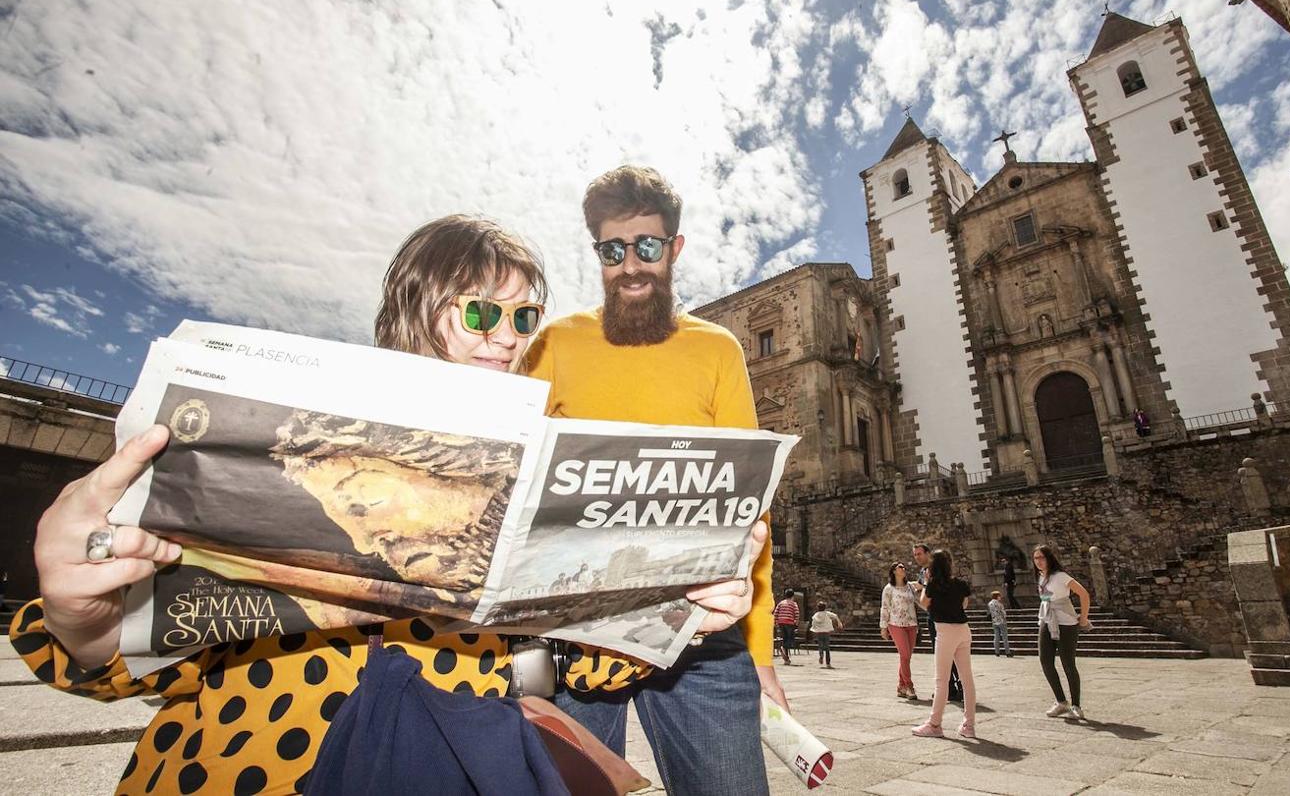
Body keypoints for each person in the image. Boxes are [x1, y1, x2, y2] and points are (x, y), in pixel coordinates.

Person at [10, 214, 766, 795]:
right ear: (417, 304)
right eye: (480, 313)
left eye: (525, 318)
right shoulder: (293, 428)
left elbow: (580, 664)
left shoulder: (534, 464)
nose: (506, 339)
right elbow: (132, 666)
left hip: (451, 758)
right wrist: (86, 620)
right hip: (252, 760)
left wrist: (683, 606)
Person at [525, 165, 784, 796]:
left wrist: (761, 649)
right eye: (613, 251)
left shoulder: (718, 349)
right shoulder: (552, 343)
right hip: (571, 632)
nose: (631, 265)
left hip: (703, 632)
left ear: (674, 248)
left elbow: (754, 510)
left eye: (647, 247)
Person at [912, 549, 976, 739]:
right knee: (967, 679)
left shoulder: (932, 584)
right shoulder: (961, 584)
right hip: (963, 630)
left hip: (944, 631)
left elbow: (924, 603)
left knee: (941, 680)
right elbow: (964, 605)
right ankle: (969, 725)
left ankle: (934, 724)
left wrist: (925, 585)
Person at [1034, 544, 1092, 721]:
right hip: (1047, 619)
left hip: (1066, 621)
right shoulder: (1041, 577)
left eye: (1041, 557)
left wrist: (1083, 617)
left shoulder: (1061, 576)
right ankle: (1061, 701)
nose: (1038, 561)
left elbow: (1083, 594)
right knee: (1045, 660)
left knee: (1068, 663)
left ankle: (1076, 705)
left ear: (1049, 558)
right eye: (1035, 558)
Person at [913, 543, 962, 704]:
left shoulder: (938, 571)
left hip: (943, 616)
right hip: (933, 616)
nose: (917, 557)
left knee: (949, 652)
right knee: (940, 653)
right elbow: (919, 585)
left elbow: (927, 595)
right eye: (915, 555)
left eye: (919, 554)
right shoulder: (923, 572)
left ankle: (955, 686)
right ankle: (951, 687)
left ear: (928, 553)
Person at [879, 561, 920, 698]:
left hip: (911, 624)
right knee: (905, 655)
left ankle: (901, 686)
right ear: (894, 571)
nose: (904, 568)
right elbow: (885, 607)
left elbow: (918, 601)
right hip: (895, 624)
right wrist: (883, 627)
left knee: (906, 656)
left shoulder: (910, 587)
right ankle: (909, 686)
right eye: (900, 567)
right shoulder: (889, 588)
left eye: (904, 567)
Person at [809, 601, 841, 668]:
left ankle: (821, 655)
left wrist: (814, 630)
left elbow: (813, 623)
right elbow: (835, 616)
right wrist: (839, 623)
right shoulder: (827, 613)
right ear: (825, 608)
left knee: (820, 646)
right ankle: (828, 663)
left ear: (818, 608)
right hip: (826, 632)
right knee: (827, 648)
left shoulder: (816, 615)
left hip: (819, 632)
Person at [774, 589, 801, 665]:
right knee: (790, 639)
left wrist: (775, 622)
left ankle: (786, 659)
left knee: (785, 638)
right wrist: (796, 623)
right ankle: (783, 648)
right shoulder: (794, 604)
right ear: (793, 596)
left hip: (781, 622)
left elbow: (776, 612)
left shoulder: (781, 603)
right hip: (789, 623)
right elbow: (797, 613)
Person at [988, 589, 1012, 657]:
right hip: (1001, 621)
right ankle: (1007, 652)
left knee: (996, 637)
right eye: (999, 596)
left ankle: (997, 652)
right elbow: (1004, 613)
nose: (1000, 597)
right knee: (1005, 637)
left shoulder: (990, 604)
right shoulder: (999, 604)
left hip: (994, 621)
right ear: (997, 596)